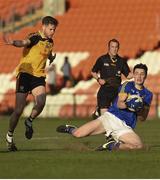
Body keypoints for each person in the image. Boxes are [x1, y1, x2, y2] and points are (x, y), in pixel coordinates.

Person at [56, 63, 153, 151]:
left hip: (124, 127)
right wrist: (131, 104)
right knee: (78, 134)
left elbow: (142, 118)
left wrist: (139, 108)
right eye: (137, 73)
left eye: (142, 74)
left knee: (138, 146)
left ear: (145, 76)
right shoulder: (127, 85)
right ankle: (71, 129)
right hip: (110, 118)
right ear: (133, 75)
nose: (139, 76)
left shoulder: (148, 95)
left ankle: (111, 145)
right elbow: (120, 104)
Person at [3, 16, 58, 151]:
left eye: (54, 29)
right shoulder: (34, 37)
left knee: (41, 102)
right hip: (25, 75)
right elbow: (24, 42)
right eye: (51, 29)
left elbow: (48, 52)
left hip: (38, 76)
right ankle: (9, 135)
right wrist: (14, 42)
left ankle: (29, 120)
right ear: (43, 27)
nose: (53, 32)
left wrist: (51, 58)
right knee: (18, 110)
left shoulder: (50, 42)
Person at [91, 39, 133, 119]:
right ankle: (100, 110)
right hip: (105, 90)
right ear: (109, 48)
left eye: (116, 47)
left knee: (116, 118)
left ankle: (98, 111)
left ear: (118, 48)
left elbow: (128, 75)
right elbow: (93, 72)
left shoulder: (121, 61)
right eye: (112, 47)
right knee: (105, 118)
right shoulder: (102, 59)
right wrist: (98, 79)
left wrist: (137, 74)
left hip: (117, 91)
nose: (114, 49)